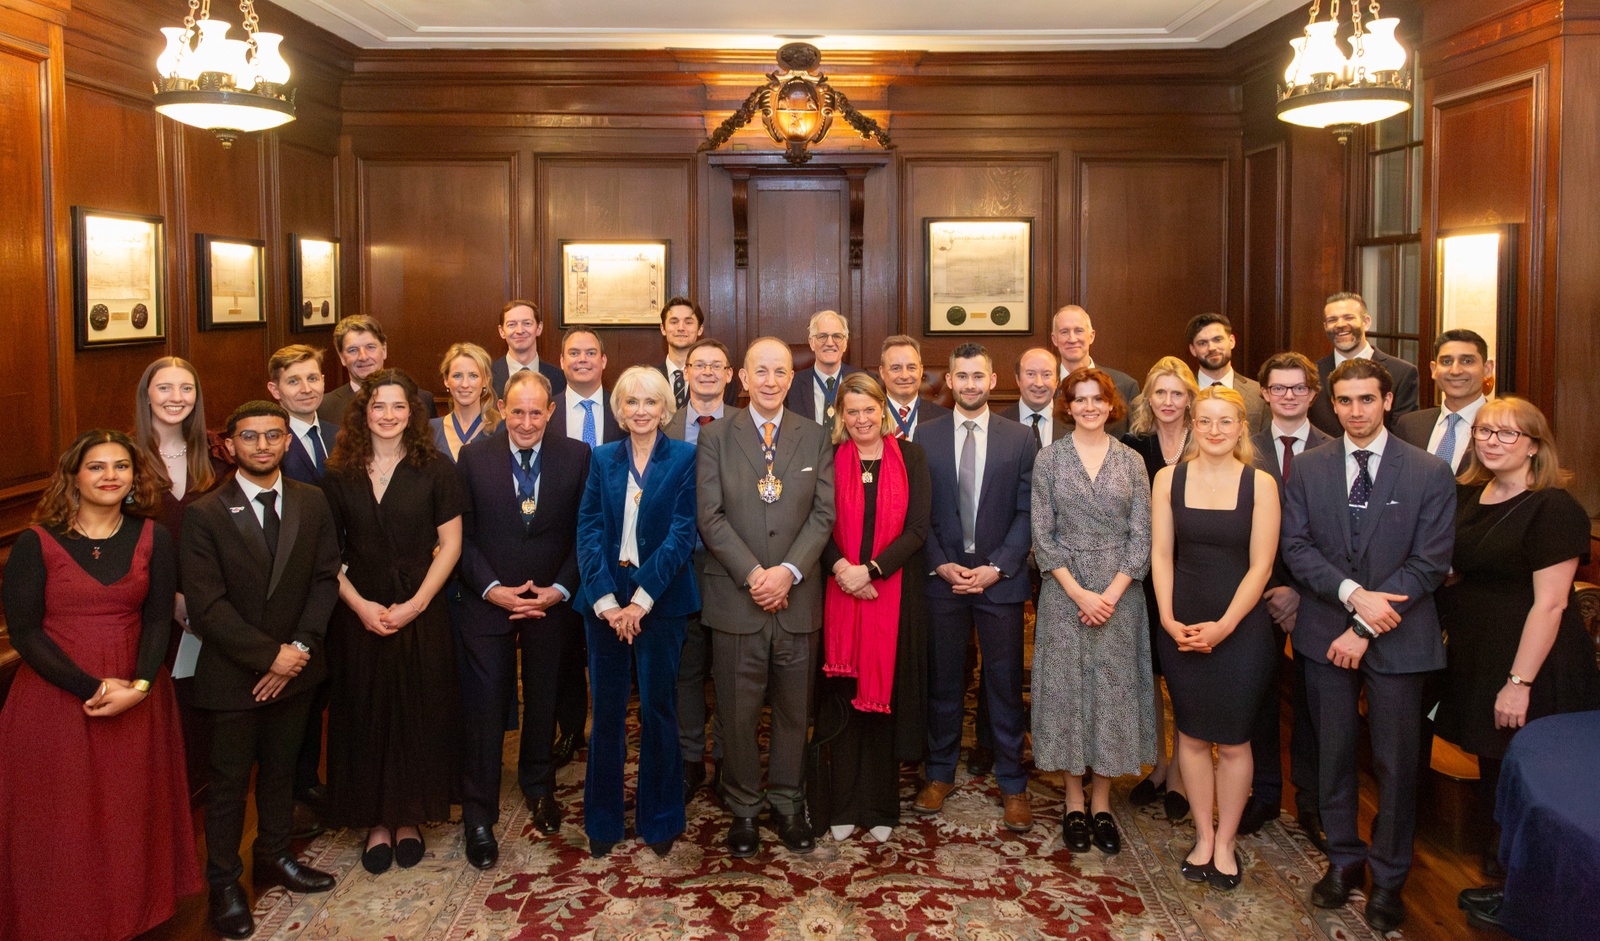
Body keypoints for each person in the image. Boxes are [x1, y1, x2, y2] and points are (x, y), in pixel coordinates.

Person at [0, 431, 200, 941]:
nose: (110, 475)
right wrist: (90, 686)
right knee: (61, 819)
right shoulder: (36, 541)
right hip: (55, 696)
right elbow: (23, 631)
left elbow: (159, 621)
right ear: (73, 476)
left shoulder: (154, 537)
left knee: (128, 815)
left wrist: (137, 685)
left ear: (135, 478)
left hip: (137, 693)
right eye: (96, 466)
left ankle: (132, 913)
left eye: (121, 466)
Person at [1281, 358, 1455, 933]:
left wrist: (1366, 626)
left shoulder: (1428, 471)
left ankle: (1390, 877)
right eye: (1346, 401)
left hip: (1401, 637)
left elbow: (1430, 563)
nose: (1356, 411)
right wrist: (1355, 598)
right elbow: (1298, 548)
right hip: (1325, 629)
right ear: (1332, 404)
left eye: (1367, 400)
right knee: (1333, 753)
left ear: (1386, 402)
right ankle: (1344, 861)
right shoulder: (1306, 469)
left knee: (1397, 762)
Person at [1435, 397, 1600, 930]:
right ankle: (1508, 870)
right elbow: (1462, 567)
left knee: (1530, 765)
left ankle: (1534, 889)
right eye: (1485, 430)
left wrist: (1519, 682)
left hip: (1535, 662)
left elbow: (1550, 604)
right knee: (1492, 757)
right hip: (1477, 651)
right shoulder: (1467, 495)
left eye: (1507, 434)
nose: (1491, 441)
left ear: (1534, 444)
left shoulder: (1554, 508)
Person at [182, 402, 342, 937]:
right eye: (250, 437)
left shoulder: (311, 501)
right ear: (229, 445)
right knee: (229, 786)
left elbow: (324, 579)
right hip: (234, 675)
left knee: (281, 771)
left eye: (274, 436)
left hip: (298, 666)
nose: (263, 445)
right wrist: (267, 656)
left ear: (288, 443)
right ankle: (225, 882)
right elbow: (207, 607)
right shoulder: (205, 514)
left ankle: (275, 854)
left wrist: (297, 648)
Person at [696, 336, 836, 857]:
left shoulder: (816, 435)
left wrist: (789, 573)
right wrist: (756, 574)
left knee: (795, 711)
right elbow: (709, 516)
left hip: (797, 600)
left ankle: (786, 801)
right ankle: (744, 810)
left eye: (780, 372)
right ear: (743, 378)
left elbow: (824, 513)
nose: (771, 381)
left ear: (790, 379)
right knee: (736, 711)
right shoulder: (715, 438)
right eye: (762, 371)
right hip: (738, 598)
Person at [322, 369, 464, 874]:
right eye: (377, 406)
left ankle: (409, 817)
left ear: (412, 412)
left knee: (418, 711)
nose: (388, 415)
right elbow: (327, 554)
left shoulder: (437, 469)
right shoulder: (337, 472)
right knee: (365, 713)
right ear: (363, 412)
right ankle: (376, 822)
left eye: (398, 406)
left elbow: (451, 545)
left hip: (421, 611)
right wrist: (360, 606)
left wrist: (418, 604)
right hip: (359, 613)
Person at [453, 369, 590, 868]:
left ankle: (538, 786)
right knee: (485, 706)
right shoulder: (473, 458)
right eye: (517, 411)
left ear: (551, 412)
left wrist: (560, 589)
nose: (527, 422)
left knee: (544, 699)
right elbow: (460, 536)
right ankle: (479, 812)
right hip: (488, 598)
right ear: (502, 410)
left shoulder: (576, 456)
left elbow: (586, 531)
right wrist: (492, 589)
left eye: (537, 412)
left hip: (550, 601)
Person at [1150, 386, 1280, 891]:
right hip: (1180, 621)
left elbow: (1262, 565)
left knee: (1233, 739)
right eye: (1205, 422)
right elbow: (1162, 554)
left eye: (1225, 422)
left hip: (1240, 628)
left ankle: (1226, 841)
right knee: (1191, 734)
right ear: (1192, 425)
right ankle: (1203, 836)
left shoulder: (1261, 484)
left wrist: (1225, 626)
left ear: (1241, 427)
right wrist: (1165, 616)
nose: (1215, 431)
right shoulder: (1167, 478)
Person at [576, 366, 700, 857]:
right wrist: (609, 603)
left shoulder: (686, 457)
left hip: (662, 601)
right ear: (620, 411)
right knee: (605, 715)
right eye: (632, 403)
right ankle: (603, 823)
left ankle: (661, 819)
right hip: (604, 601)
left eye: (651, 402)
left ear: (665, 409)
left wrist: (641, 600)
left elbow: (682, 534)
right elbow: (587, 530)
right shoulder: (601, 458)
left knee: (658, 710)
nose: (641, 411)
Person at [1030, 367, 1154, 855]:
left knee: (1112, 695)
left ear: (1110, 405)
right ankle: (1074, 800)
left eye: (1096, 399)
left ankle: (1102, 802)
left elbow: (1142, 535)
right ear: (1067, 407)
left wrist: (1112, 591)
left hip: (1121, 596)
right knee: (1066, 694)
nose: (1088, 407)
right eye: (1079, 400)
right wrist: (1079, 592)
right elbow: (1042, 534)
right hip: (1064, 592)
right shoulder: (1049, 460)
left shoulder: (1131, 462)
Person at [914, 343, 1036, 833]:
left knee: (1004, 686)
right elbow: (916, 512)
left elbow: (1030, 512)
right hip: (943, 580)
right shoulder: (924, 437)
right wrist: (941, 565)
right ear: (949, 381)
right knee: (944, 682)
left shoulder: (1021, 438)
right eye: (960, 376)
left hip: (999, 582)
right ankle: (939, 773)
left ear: (992, 379)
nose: (968, 384)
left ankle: (1012, 782)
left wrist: (1000, 567)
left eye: (977, 376)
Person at [818, 372, 930, 844]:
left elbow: (918, 529)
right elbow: (817, 523)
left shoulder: (911, 457)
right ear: (841, 416)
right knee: (841, 704)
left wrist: (873, 570)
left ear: (883, 410)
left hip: (893, 597)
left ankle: (880, 804)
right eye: (853, 411)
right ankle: (843, 804)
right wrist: (844, 569)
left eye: (870, 409)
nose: (862, 418)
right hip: (838, 594)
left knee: (882, 704)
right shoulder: (828, 459)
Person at [1244, 351, 1333, 847]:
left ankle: (1312, 801)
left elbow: (1338, 539)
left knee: (1313, 703)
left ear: (1313, 394)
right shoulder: (1242, 449)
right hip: (1255, 597)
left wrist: (1299, 590)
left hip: (1316, 599)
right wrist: (1267, 587)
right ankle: (1263, 793)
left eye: (1298, 388)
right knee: (1257, 698)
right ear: (1265, 394)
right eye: (1278, 388)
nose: (1288, 396)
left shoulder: (1335, 450)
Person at [134, 355, 230, 794]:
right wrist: (168, 598)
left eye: (186, 389)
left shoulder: (216, 455)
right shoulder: (125, 457)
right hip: (147, 608)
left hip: (211, 605)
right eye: (165, 388)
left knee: (204, 705)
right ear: (147, 395)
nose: (176, 398)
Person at [1119, 355, 1198, 822]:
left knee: (1186, 675)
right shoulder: (1133, 445)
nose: (1168, 402)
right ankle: (1160, 764)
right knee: (1149, 674)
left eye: (1177, 393)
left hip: (1196, 574)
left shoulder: (1205, 439)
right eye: (1160, 393)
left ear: (1190, 398)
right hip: (1143, 577)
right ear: (1148, 397)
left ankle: (1184, 777)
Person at [664, 337, 734, 797]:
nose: (707, 372)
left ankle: (729, 759)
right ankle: (690, 759)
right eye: (698, 365)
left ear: (730, 375)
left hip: (732, 567)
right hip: (678, 567)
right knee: (685, 671)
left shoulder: (750, 427)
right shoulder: (660, 426)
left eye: (717, 365)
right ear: (685, 374)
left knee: (729, 669)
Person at [1307, 293, 1419, 435]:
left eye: (1349, 317)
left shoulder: (1402, 373)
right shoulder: (1311, 373)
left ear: (1366, 322)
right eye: (1332, 320)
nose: (1340, 325)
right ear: (1325, 327)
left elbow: (1403, 433)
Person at [1394, 328, 1492, 474]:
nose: (1455, 370)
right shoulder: (1410, 425)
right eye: (1446, 361)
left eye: (1467, 361)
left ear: (1487, 369)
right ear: (1434, 369)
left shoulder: (1505, 427)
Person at [317, 314, 438, 424]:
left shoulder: (421, 399)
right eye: (353, 350)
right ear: (342, 357)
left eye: (370, 347)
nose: (363, 357)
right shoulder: (324, 407)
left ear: (384, 350)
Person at [1049, 305, 1140, 430]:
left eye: (1078, 331)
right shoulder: (1044, 388)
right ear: (1054, 339)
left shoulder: (1125, 386)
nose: (1072, 339)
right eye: (1064, 332)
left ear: (1091, 336)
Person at [268, 344, 338, 486]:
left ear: (323, 381)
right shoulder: (270, 443)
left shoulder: (339, 434)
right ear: (275, 390)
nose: (306, 389)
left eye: (312, 379)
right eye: (293, 381)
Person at [1185, 312, 1268, 429]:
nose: (1212, 348)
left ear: (1232, 341)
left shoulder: (1258, 394)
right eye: (1202, 343)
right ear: (1193, 349)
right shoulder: (1181, 392)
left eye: (1218, 339)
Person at [654, 296, 737, 408]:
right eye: (674, 322)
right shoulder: (650, 378)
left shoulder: (720, 378)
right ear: (663, 328)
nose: (681, 328)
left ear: (700, 330)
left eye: (688, 322)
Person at [786, 309, 863, 424]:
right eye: (822, 336)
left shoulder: (864, 380)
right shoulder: (792, 386)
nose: (830, 343)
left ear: (845, 343)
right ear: (812, 342)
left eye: (837, 336)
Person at [550, 326, 623, 446]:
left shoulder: (622, 409)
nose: (582, 359)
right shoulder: (546, 411)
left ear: (603, 361)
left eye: (591, 353)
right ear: (562, 361)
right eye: (574, 353)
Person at [431, 342, 501, 461]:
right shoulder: (431, 429)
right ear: (446, 380)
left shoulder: (501, 428)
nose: (465, 384)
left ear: (485, 380)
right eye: (457, 376)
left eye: (473, 376)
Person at [490, 299, 567, 400]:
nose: (520, 331)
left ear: (539, 328)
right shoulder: (487, 376)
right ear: (502, 332)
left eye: (527, 323)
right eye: (512, 324)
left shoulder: (560, 378)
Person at [878, 334, 949, 441]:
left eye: (911, 367)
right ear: (882, 372)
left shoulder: (944, 418)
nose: (905, 376)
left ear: (920, 371)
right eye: (896, 368)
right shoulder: (866, 419)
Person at [999, 347, 1059, 448]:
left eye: (1046, 375)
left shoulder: (1073, 423)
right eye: (1030, 374)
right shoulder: (998, 424)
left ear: (1057, 381)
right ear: (1018, 379)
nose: (1039, 383)